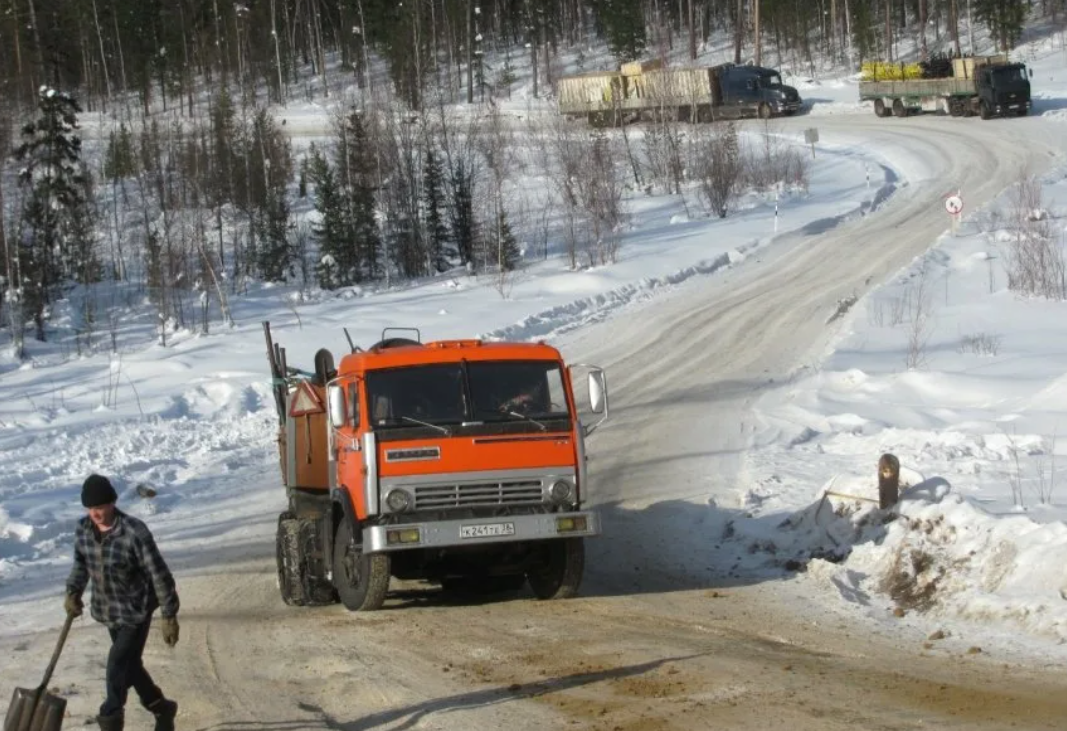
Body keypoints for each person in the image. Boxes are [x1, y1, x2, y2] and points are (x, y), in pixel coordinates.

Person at [65, 474, 181, 731]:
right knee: (130, 666)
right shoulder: (83, 530)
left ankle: (111, 717)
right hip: (108, 610)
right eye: (91, 509)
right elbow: (81, 565)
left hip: (135, 611)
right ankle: (162, 708)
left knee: (117, 663)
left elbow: (159, 573)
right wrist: (73, 592)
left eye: (101, 508)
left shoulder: (134, 532)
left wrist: (169, 614)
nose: (96, 514)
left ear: (113, 504)